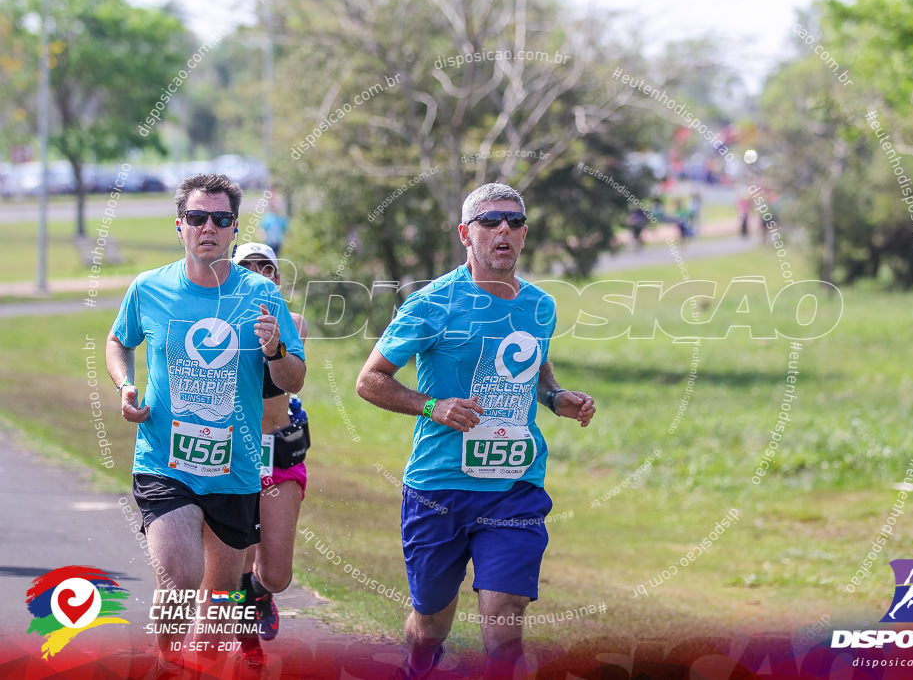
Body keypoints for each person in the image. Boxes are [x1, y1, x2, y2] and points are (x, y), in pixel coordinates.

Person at [356, 182, 596, 680]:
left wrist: (555, 397)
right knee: (430, 626)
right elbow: (369, 381)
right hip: (438, 486)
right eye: (489, 222)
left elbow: (536, 368)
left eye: (513, 221)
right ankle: (418, 663)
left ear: (525, 234)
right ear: (467, 233)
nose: (502, 230)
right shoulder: (431, 304)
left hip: (514, 486)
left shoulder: (539, 306)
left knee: (504, 625)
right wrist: (432, 407)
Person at [105, 174, 306, 671]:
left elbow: (294, 378)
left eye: (220, 219)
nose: (208, 227)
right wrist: (125, 386)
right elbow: (118, 342)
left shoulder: (261, 294)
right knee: (178, 575)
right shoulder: (149, 288)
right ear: (180, 226)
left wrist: (274, 349)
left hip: (235, 470)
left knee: (218, 609)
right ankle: (166, 662)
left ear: (234, 229)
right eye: (197, 218)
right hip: (164, 461)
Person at [230, 242, 310, 666]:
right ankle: (247, 648)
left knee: (276, 575)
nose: (260, 274)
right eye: (249, 267)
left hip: (278, 452)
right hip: (235, 455)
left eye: (268, 268)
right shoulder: (217, 322)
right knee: (237, 561)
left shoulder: (292, 321)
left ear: (277, 279)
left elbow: (291, 379)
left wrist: (274, 342)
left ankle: (261, 596)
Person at [260, 191, 289, 256]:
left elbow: (285, 230)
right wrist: (263, 236)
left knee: (276, 258)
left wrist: (286, 241)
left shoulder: (282, 218)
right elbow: (262, 229)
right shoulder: (267, 217)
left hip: (278, 243)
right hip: (269, 242)